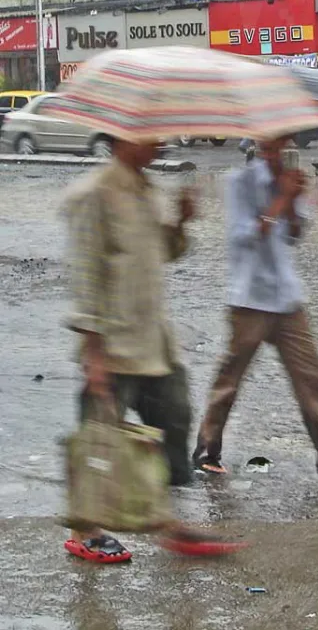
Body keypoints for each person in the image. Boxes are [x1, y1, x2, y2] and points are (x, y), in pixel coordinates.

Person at [62, 138, 241, 563]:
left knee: (174, 423)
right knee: (100, 437)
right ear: (121, 139)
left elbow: (164, 253)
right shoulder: (95, 195)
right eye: (148, 135)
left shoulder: (146, 190)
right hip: (112, 344)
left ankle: (168, 522)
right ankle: (85, 530)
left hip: (154, 342)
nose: (158, 142)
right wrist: (95, 354)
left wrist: (181, 222)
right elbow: (86, 277)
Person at [193, 136, 318, 478]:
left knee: (311, 379)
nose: (276, 153)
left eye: (281, 146)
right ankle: (206, 451)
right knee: (229, 379)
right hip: (249, 299)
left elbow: (295, 235)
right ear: (258, 146)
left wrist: (293, 201)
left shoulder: (291, 179)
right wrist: (280, 201)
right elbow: (244, 236)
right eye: (269, 147)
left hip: (286, 299)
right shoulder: (239, 182)